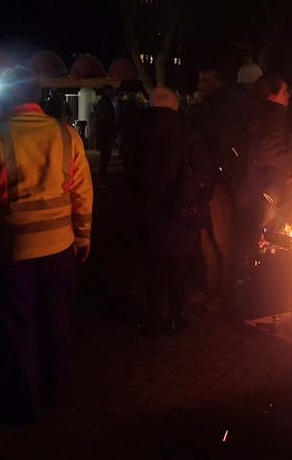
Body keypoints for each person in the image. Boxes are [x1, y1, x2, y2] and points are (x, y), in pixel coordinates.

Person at [0, 68, 93, 423]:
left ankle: (26, 401)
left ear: (7, 96)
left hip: (11, 251)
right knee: (57, 319)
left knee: (18, 327)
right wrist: (82, 236)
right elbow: (82, 191)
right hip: (60, 247)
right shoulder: (66, 134)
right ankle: (57, 390)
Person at [125, 87, 211, 335]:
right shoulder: (188, 134)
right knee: (179, 270)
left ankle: (154, 318)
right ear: (175, 106)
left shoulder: (136, 133)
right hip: (181, 215)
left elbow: (129, 175)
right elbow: (205, 176)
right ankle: (176, 316)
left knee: (153, 270)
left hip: (148, 216)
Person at [232, 73, 292, 318]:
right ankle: (255, 308)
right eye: (284, 92)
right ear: (272, 96)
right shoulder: (272, 117)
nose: (288, 96)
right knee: (260, 248)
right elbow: (271, 151)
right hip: (265, 194)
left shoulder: (261, 114)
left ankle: (248, 304)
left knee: (252, 247)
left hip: (257, 191)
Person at [188, 65, 248, 311]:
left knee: (222, 239)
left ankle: (224, 294)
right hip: (207, 179)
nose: (200, 82)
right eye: (200, 77)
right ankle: (212, 288)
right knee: (206, 236)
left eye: (205, 77)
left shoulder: (223, 108)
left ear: (218, 80)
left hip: (219, 181)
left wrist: (217, 175)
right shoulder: (211, 106)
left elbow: (221, 145)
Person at [93, 86, 117, 184]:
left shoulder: (102, 103)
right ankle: (102, 176)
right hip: (106, 133)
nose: (114, 93)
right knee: (105, 156)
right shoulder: (106, 104)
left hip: (103, 133)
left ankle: (102, 175)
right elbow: (107, 119)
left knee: (104, 156)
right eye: (112, 91)